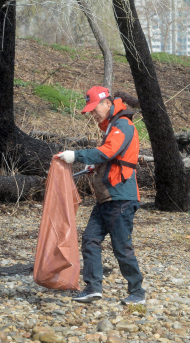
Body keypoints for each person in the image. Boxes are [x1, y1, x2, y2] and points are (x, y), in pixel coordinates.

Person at [56, 86, 146, 304]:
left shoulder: (123, 125)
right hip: (106, 197)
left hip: (121, 198)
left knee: (122, 248)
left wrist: (75, 155)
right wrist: (94, 166)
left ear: (107, 103)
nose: (92, 114)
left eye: (94, 108)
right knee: (90, 240)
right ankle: (93, 288)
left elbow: (108, 152)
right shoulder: (112, 126)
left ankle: (137, 293)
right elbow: (110, 157)